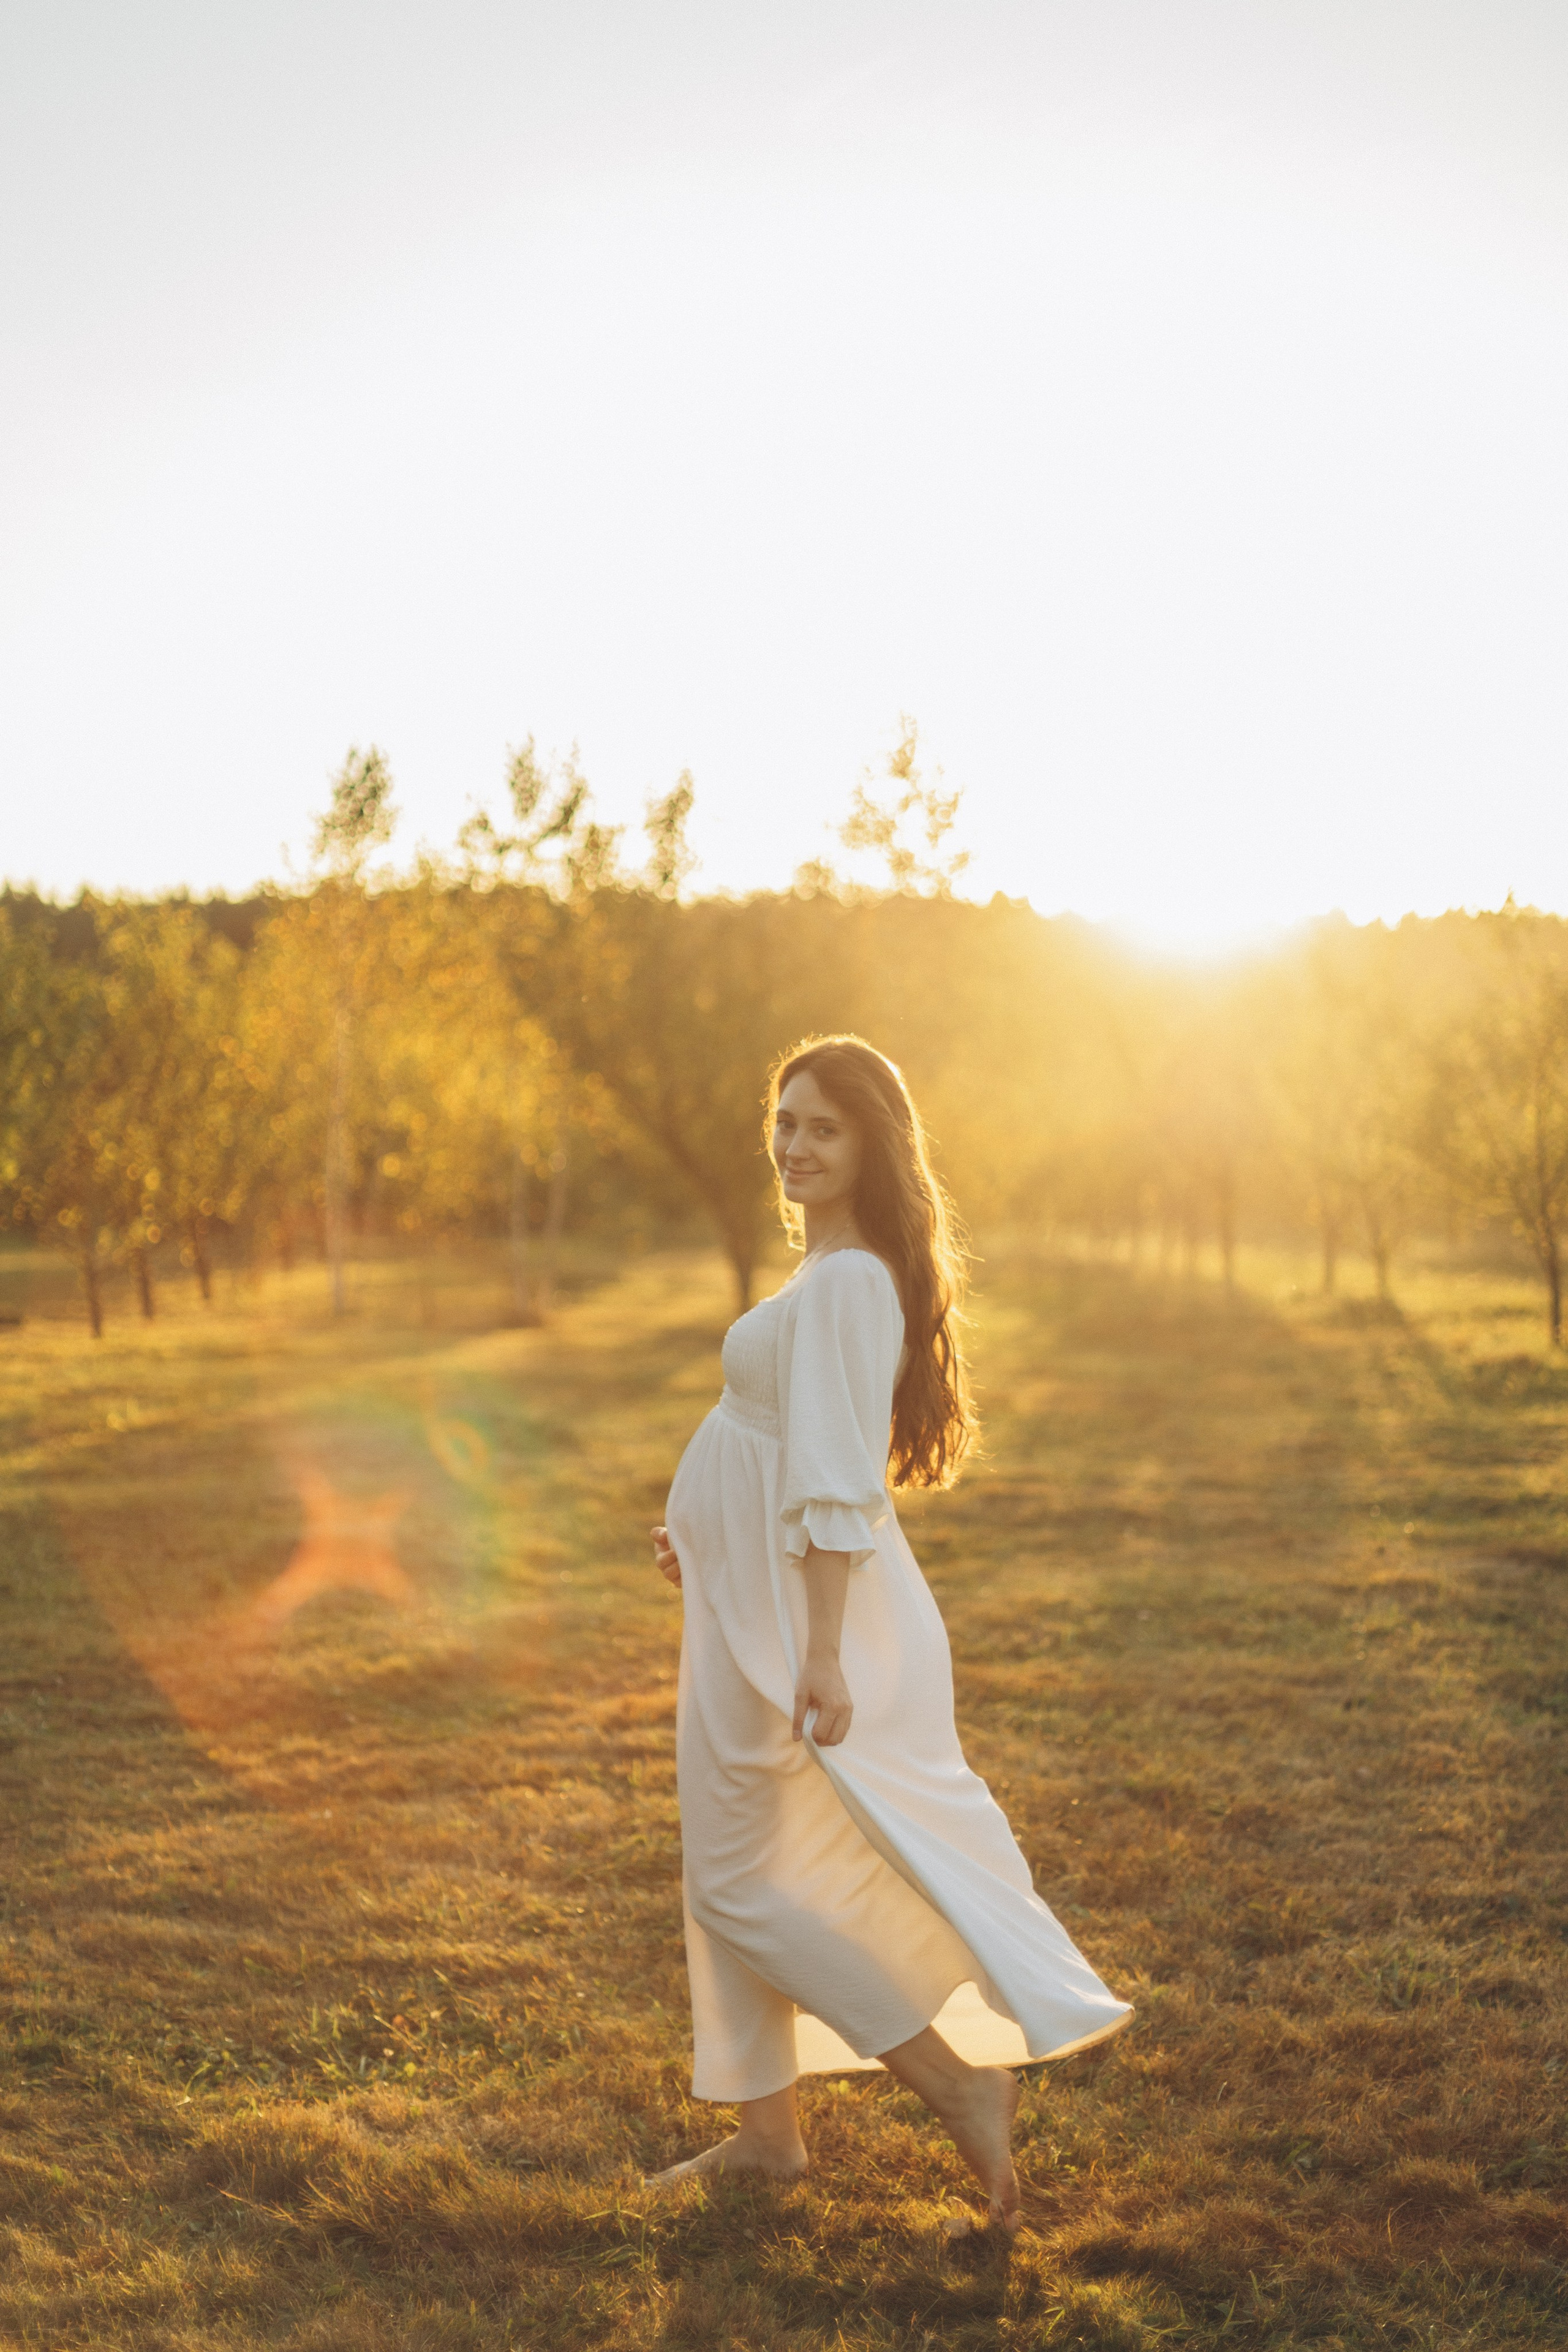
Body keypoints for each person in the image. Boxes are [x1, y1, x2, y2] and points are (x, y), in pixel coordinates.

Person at [649, 1035, 1130, 2228]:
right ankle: (765, 2138)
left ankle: (955, 2086)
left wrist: (816, 1649)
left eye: (823, 1127)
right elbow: (768, 1454)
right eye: (784, 1121)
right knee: (728, 1864)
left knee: (735, 1882)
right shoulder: (822, 1273)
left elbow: (831, 1480)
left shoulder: (854, 1281)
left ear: (871, 1146)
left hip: (803, 1625)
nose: (795, 1145)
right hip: (744, 1603)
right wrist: (702, 1540)